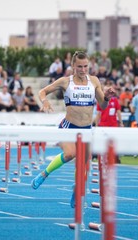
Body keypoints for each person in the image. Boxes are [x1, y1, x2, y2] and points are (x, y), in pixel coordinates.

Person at [30, 51, 115, 208]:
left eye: (85, 66)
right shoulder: (65, 81)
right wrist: (45, 102)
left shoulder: (94, 81)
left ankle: (76, 190)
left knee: (83, 166)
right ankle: (44, 174)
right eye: (79, 67)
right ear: (73, 66)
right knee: (70, 154)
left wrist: (107, 98)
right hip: (69, 127)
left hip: (87, 129)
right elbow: (42, 91)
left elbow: (102, 105)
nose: (83, 70)